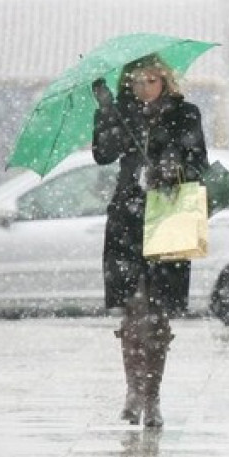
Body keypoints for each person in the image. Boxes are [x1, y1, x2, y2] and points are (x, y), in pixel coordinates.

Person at [91, 54, 209, 427]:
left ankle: (153, 396)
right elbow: (102, 154)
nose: (143, 88)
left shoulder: (185, 114)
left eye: (150, 81)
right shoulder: (121, 113)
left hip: (170, 214)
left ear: (164, 81)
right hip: (127, 217)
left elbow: (199, 164)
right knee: (132, 309)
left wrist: (173, 166)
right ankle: (133, 389)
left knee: (157, 313)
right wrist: (108, 110)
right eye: (136, 82)